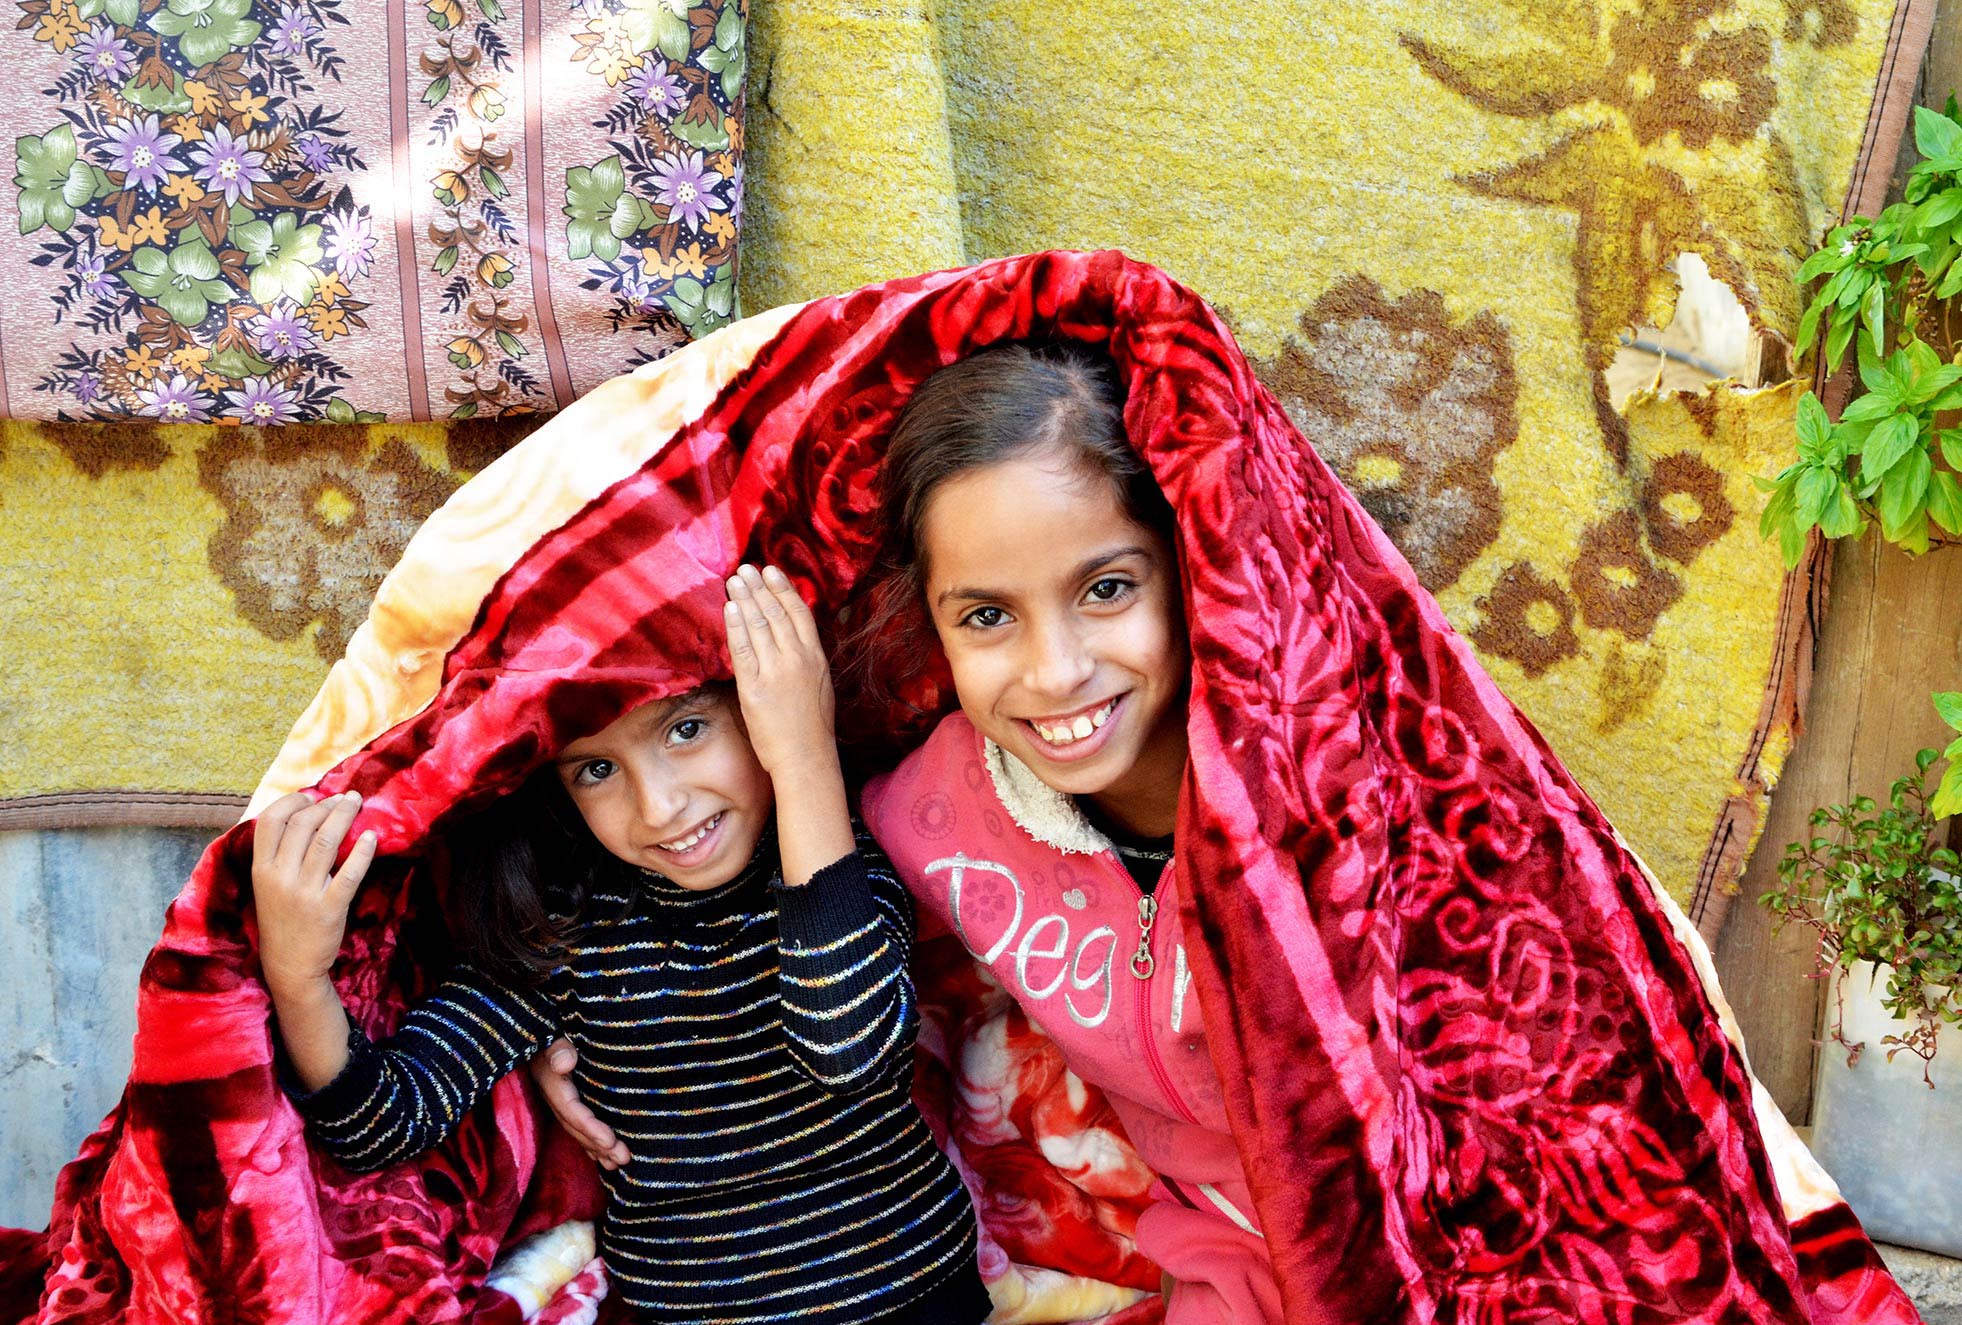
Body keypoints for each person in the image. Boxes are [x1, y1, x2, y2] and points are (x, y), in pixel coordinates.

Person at [535, 345, 1281, 1324]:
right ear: (930, 624)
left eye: (1106, 588)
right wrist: (551, 1026)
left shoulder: (1309, 782)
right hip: (1218, 1259)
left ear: (1191, 568)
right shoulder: (924, 814)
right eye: (986, 615)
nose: (1055, 671)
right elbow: (834, 1019)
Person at [252, 564, 988, 1325]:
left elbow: (850, 1049)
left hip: (912, 1292)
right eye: (597, 769)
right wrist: (298, 975)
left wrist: (803, 756)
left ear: (761, 705)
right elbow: (383, 1121)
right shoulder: (560, 931)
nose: (660, 806)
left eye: (687, 727)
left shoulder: (840, 860)